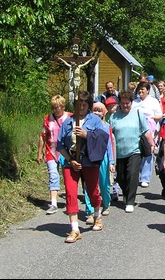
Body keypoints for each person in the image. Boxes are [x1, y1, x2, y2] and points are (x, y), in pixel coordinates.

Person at [57, 90, 111, 243]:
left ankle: (97, 214)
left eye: (84, 105)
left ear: (88, 106)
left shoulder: (94, 120)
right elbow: (60, 144)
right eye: (78, 104)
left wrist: (87, 135)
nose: (81, 107)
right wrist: (70, 160)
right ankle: (74, 229)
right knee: (70, 192)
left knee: (93, 190)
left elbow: (102, 139)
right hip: (71, 161)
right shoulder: (68, 122)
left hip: (89, 160)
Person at [110, 90, 155, 213]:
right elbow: (110, 135)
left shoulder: (137, 113)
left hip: (134, 150)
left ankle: (130, 201)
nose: (125, 105)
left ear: (131, 102)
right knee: (121, 177)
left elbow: (145, 130)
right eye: (123, 103)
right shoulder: (114, 117)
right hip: (119, 152)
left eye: (127, 103)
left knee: (132, 175)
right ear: (119, 103)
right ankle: (126, 193)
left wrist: (152, 143)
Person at [36, 95, 72, 214]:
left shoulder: (70, 117)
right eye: (54, 107)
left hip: (66, 151)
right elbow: (43, 136)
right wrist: (39, 153)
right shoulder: (47, 118)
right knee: (53, 175)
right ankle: (53, 203)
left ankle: (70, 202)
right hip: (51, 150)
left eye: (58, 107)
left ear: (63, 107)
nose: (56, 110)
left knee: (68, 176)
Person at [83, 101, 116, 224]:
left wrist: (111, 162)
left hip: (103, 158)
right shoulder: (86, 124)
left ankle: (106, 204)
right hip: (89, 157)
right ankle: (90, 211)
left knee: (104, 184)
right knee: (89, 186)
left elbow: (109, 146)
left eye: (99, 110)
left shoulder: (106, 126)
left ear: (104, 113)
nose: (96, 112)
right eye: (94, 110)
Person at [132, 81, 164, 188]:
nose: (140, 91)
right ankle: (137, 175)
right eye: (139, 89)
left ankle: (145, 177)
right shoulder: (134, 102)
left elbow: (159, 115)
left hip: (149, 128)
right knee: (137, 152)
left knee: (148, 152)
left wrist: (151, 119)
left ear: (148, 91)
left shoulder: (153, 101)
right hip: (136, 128)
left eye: (143, 89)